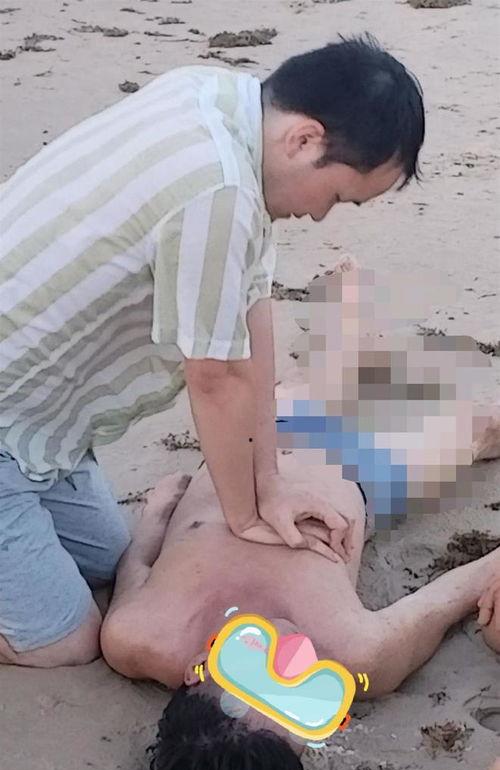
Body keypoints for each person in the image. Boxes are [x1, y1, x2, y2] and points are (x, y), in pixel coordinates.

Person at [0, 35, 425, 665]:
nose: (321, 217)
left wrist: (269, 483)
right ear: (305, 140)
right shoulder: (219, 191)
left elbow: (253, 313)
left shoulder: (216, 99)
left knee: (105, 559)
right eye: (337, 197)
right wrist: (245, 515)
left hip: (35, 427)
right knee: (67, 640)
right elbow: (216, 376)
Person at [95, 436, 500, 770]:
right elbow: (459, 591)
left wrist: (156, 513)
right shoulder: (359, 654)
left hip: (245, 432)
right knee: (480, 428)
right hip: (358, 461)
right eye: (302, 702)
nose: (291, 663)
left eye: (254, 672)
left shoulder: (139, 634)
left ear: (198, 668)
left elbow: (137, 562)